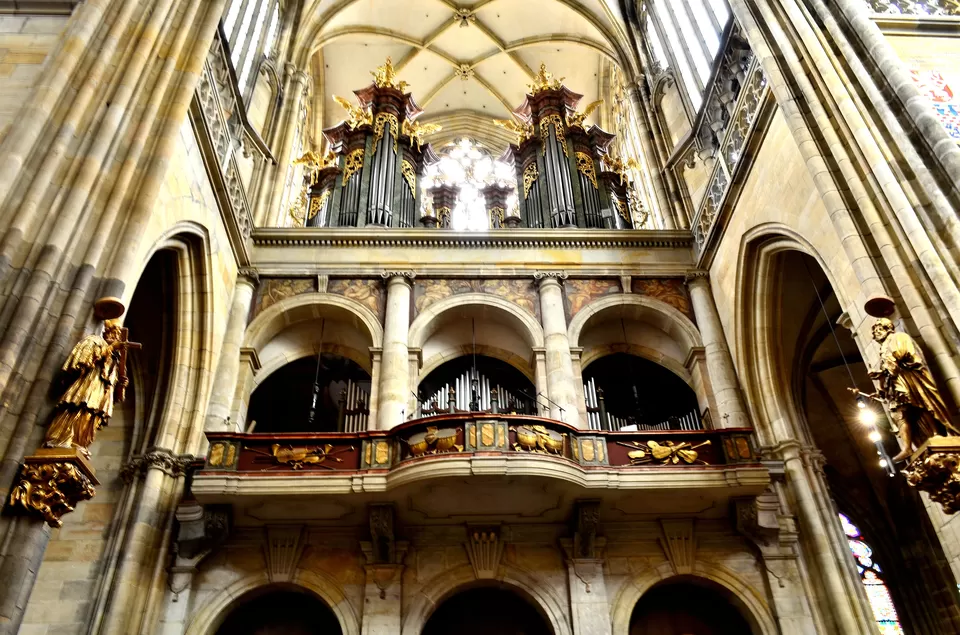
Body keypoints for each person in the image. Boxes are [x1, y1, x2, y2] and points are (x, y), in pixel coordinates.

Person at [867, 318, 958, 462]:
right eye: (874, 332)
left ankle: (935, 433)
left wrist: (886, 367)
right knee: (899, 414)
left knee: (920, 404)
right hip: (895, 384)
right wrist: (880, 389)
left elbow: (904, 353)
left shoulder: (899, 337)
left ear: (887, 328)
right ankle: (907, 448)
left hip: (909, 378)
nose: (876, 334)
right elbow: (887, 370)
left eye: (879, 330)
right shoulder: (882, 349)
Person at [43, 320, 128, 457]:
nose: (116, 337)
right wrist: (111, 348)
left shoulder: (117, 360)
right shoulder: (95, 341)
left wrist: (121, 385)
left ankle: (79, 443)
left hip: (101, 394)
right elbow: (84, 361)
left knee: (91, 417)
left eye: (118, 335)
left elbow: (116, 392)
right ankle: (62, 440)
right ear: (107, 332)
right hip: (88, 386)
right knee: (80, 409)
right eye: (114, 333)